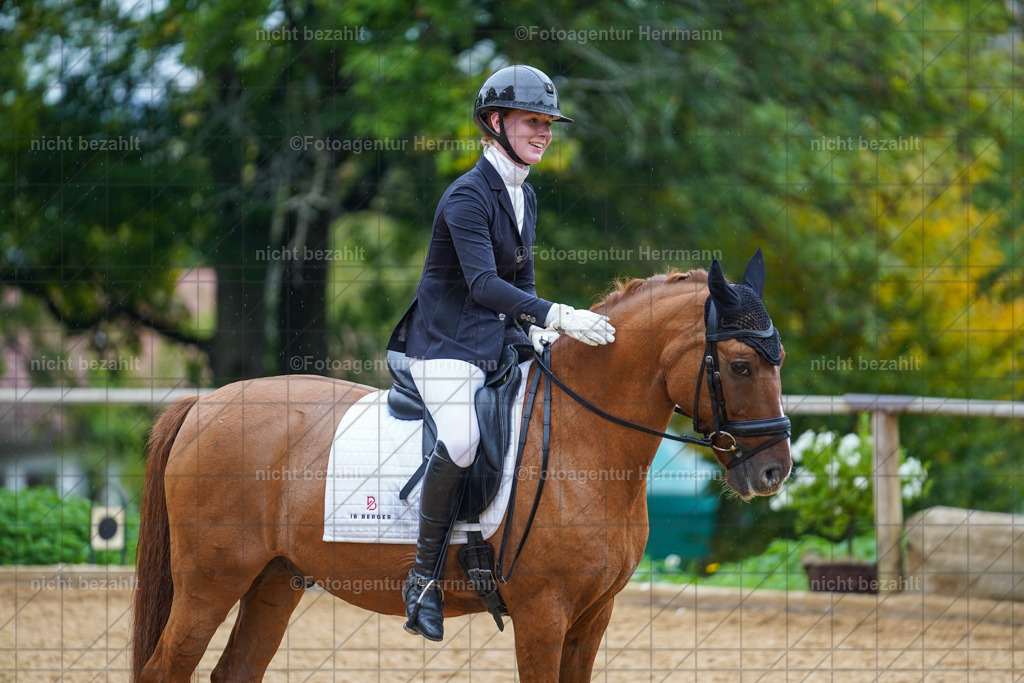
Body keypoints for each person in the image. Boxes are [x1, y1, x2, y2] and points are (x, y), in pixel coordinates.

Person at [386, 64, 616, 641]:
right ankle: (422, 579)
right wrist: (558, 316)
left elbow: (524, 281)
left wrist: (538, 330)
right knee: (461, 438)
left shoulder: (524, 195)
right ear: (495, 122)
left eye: (547, 124)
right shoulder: (466, 196)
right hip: (443, 347)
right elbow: (484, 284)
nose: (543, 133)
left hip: (496, 346)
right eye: (530, 122)